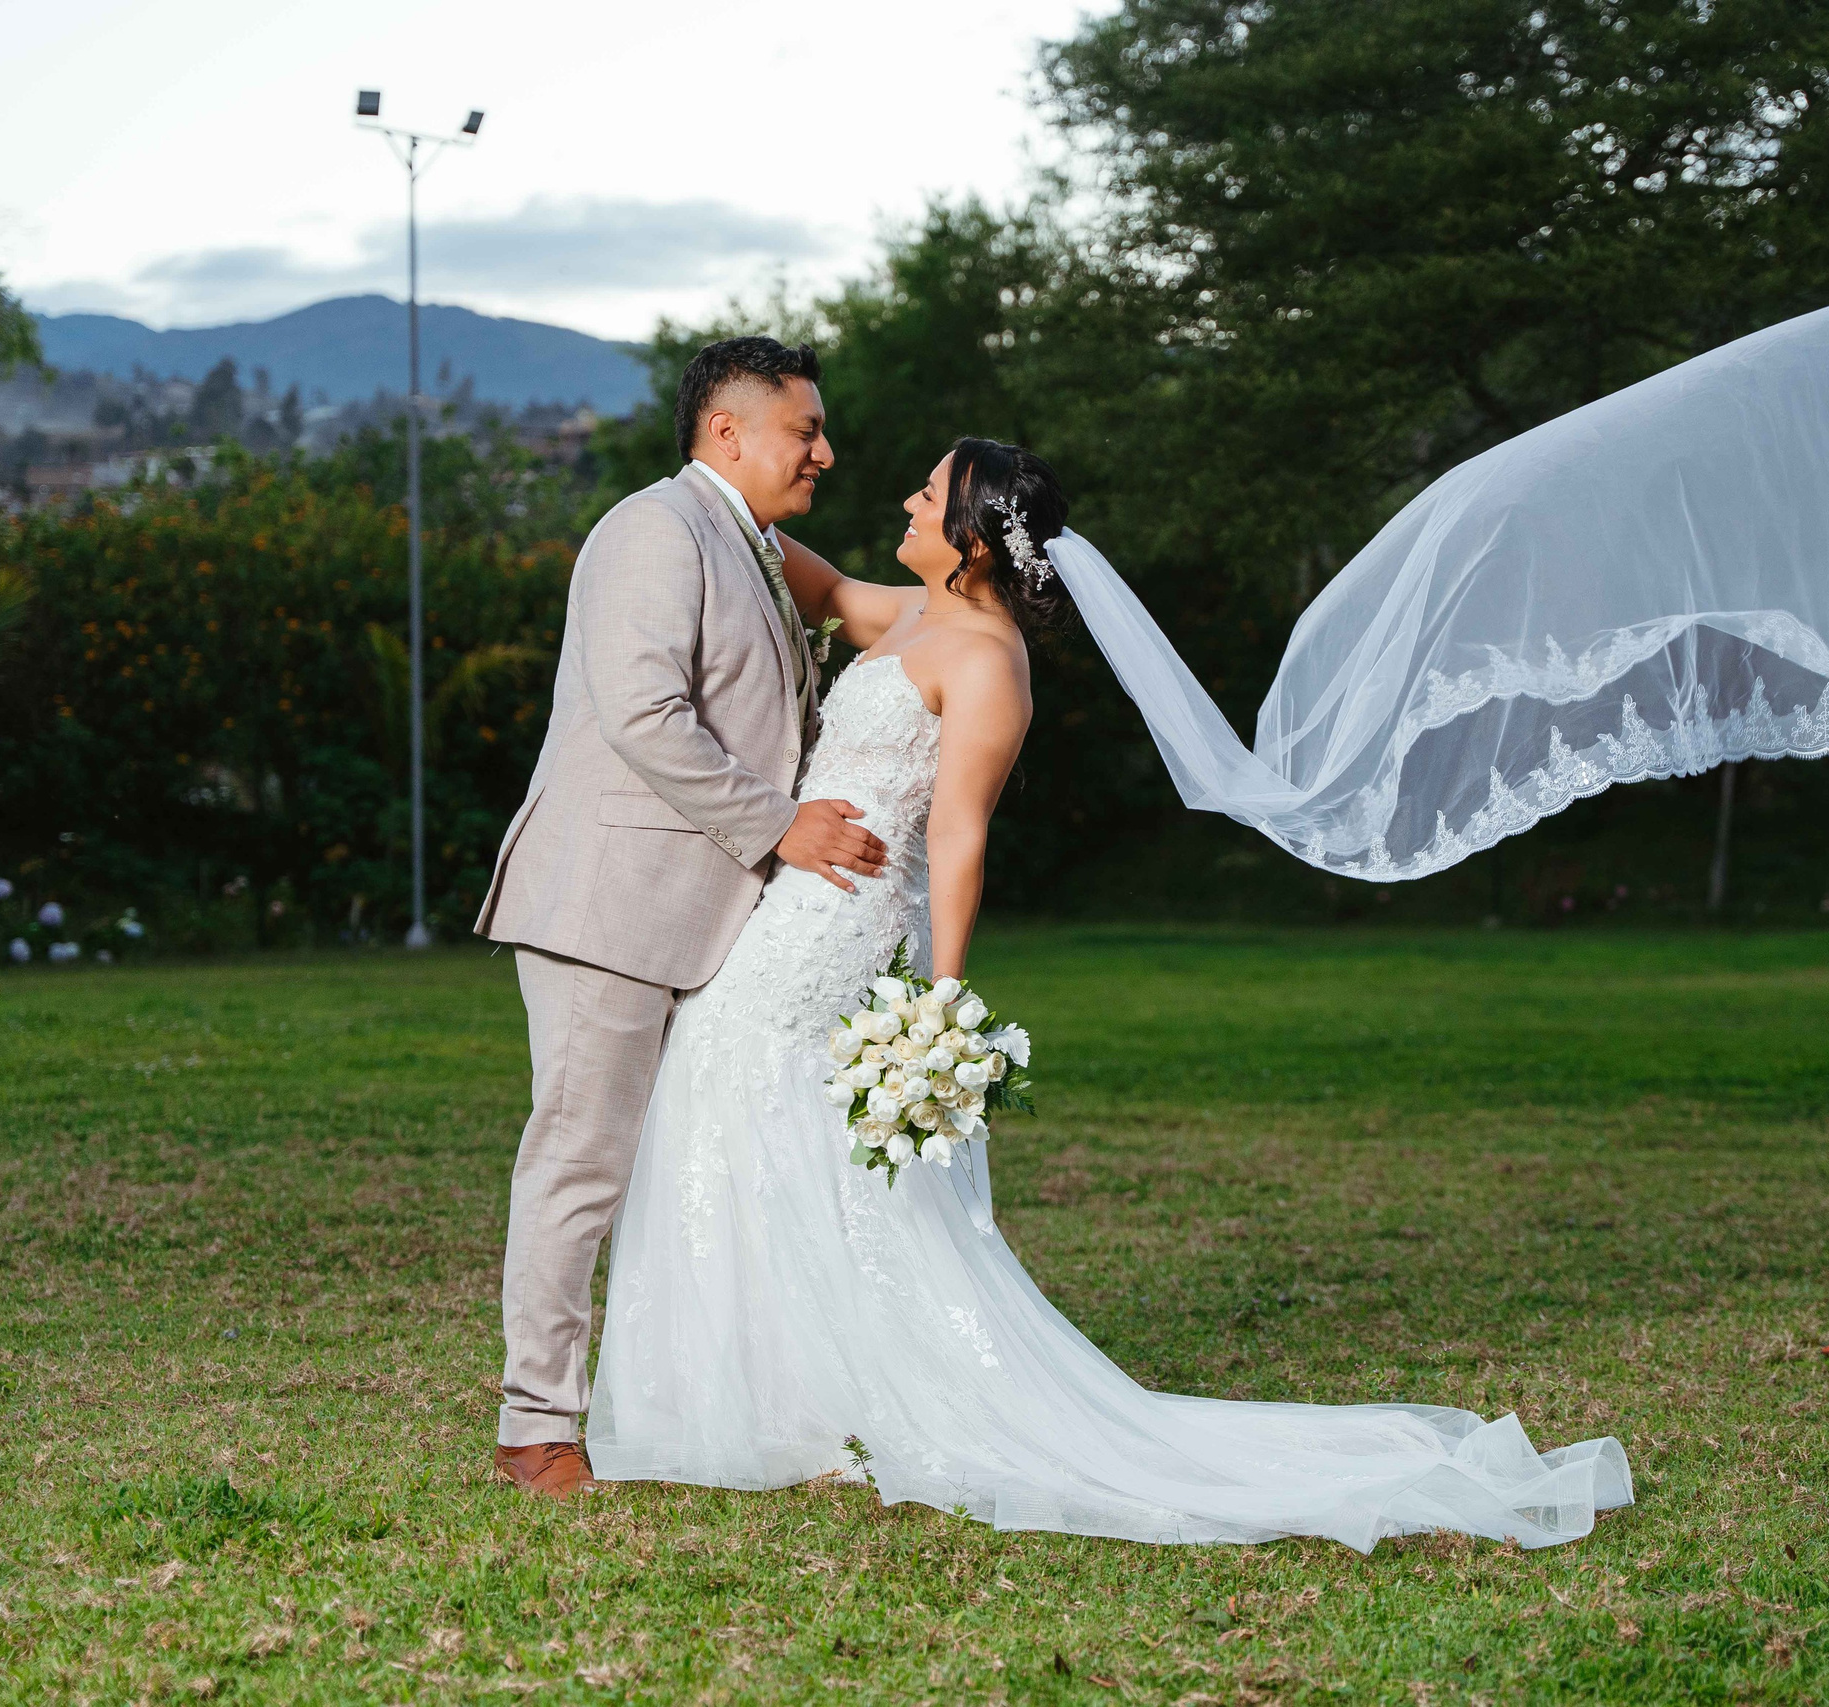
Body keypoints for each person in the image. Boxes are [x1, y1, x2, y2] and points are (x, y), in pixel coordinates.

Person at [583, 438, 1631, 1551]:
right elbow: (824, 586)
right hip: (789, 897)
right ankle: (772, 1390)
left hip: (839, 919)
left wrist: (937, 999)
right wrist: (705, 502)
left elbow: (958, 831)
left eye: (929, 493)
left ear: (976, 535)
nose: (905, 497)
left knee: (736, 1079)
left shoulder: (984, 659)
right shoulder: (911, 616)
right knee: (734, 1093)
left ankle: (791, 1398)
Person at [474, 337, 891, 1497]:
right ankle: (534, 1428)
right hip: (609, 902)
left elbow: (868, 612)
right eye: (804, 430)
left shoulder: (756, 548)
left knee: (691, 1168)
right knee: (582, 1162)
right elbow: (646, 716)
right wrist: (784, 826)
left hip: (710, 917)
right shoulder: (652, 529)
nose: (824, 450)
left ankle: (697, 1404)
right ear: (727, 432)